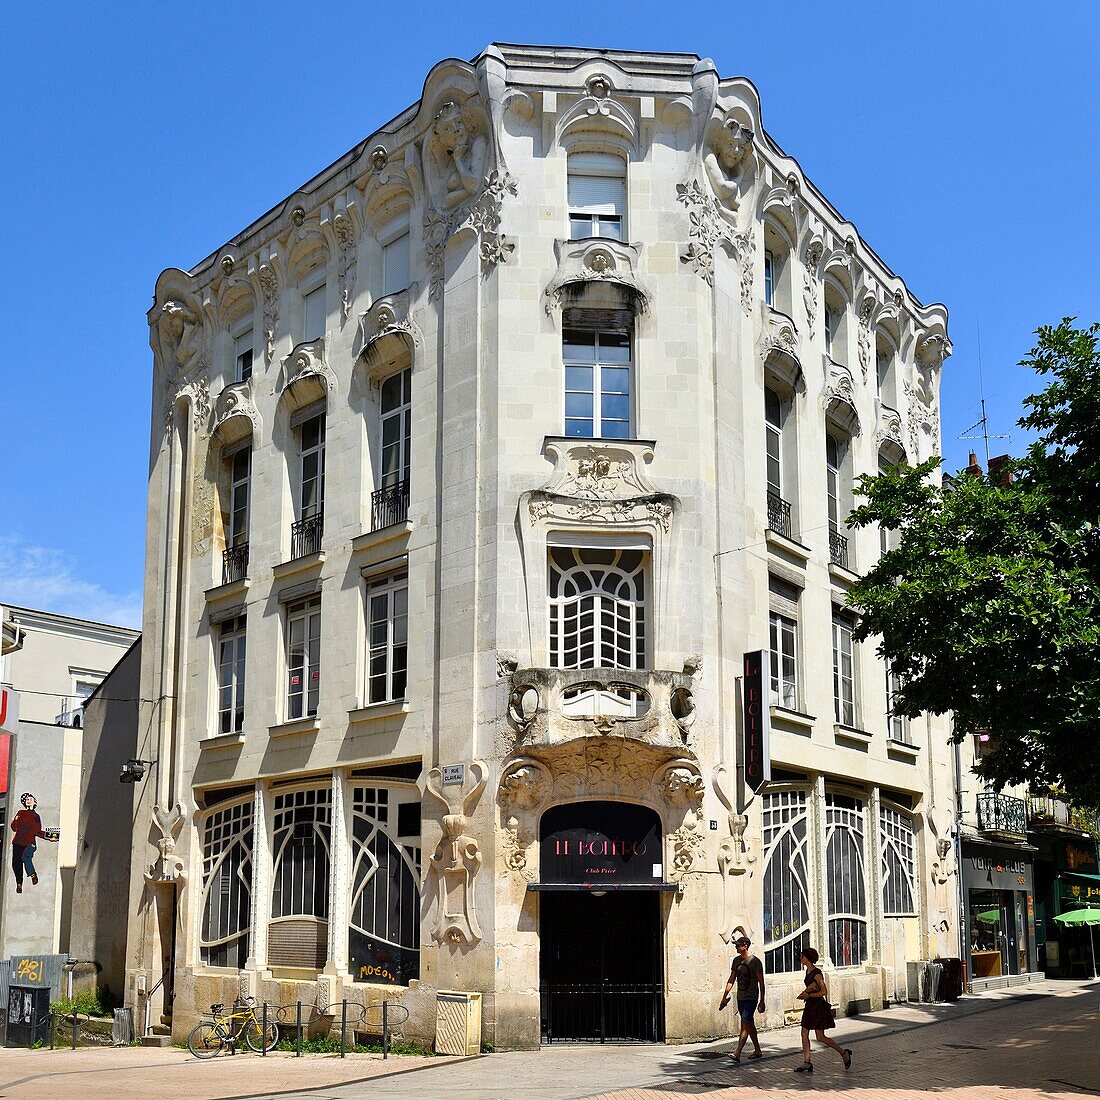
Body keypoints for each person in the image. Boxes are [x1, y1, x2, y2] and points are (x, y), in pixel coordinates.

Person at [795, 947, 851, 1073]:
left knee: (820, 1037)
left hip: (818, 1007)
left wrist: (808, 995)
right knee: (804, 1032)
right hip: (810, 1006)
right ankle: (807, 1062)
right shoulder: (808, 971)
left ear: (807, 958)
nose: (800, 958)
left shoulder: (817, 973)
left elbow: (824, 991)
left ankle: (844, 1053)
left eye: (802, 956)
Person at [718, 933, 766, 1062]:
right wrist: (725, 996)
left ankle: (738, 1052)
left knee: (745, 1023)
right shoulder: (736, 961)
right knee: (749, 1024)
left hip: (751, 997)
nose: (736, 948)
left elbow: (761, 982)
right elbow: (732, 979)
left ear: (745, 946)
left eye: (738, 945)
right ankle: (757, 1050)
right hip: (741, 997)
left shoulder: (755, 962)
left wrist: (762, 1000)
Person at [9, 793, 57, 894]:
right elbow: (14, 827)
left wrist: (50, 837)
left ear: (35, 802)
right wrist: (15, 819)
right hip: (18, 841)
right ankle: (19, 884)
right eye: (26, 799)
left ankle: (32, 874)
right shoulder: (21, 812)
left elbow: (38, 831)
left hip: (29, 842)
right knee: (16, 863)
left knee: (25, 857)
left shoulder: (36, 816)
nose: (28, 800)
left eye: (30, 799)